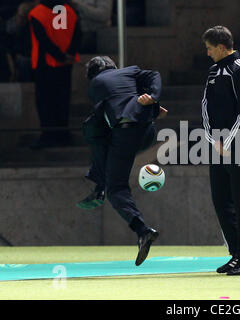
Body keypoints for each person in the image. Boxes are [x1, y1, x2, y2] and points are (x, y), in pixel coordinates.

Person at [76, 56, 167, 266]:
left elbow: (101, 121)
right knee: (103, 140)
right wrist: (154, 101)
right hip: (147, 132)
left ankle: (142, 231)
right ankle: (100, 184)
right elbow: (155, 75)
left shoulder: (96, 85)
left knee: (115, 188)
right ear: (113, 66)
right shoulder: (131, 70)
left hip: (125, 134)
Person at [201, 26, 240, 276]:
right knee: (221, 200)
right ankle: (236, 255)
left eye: (208, 48)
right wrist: (211, 138)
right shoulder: (213, 71)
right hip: (217, 144)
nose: (207, 54)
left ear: (220, 46)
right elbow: (205, 105)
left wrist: (228, 142)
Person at [28, 0, 81, 149]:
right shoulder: (70, 11)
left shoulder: (37, 13)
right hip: (65, 65)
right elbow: (78, 34)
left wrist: (59, 55)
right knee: (62, 100)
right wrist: (69, 54)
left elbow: (43, 40)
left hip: (45, 64)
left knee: (45, 102)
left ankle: (48, 136)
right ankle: (63, 135)